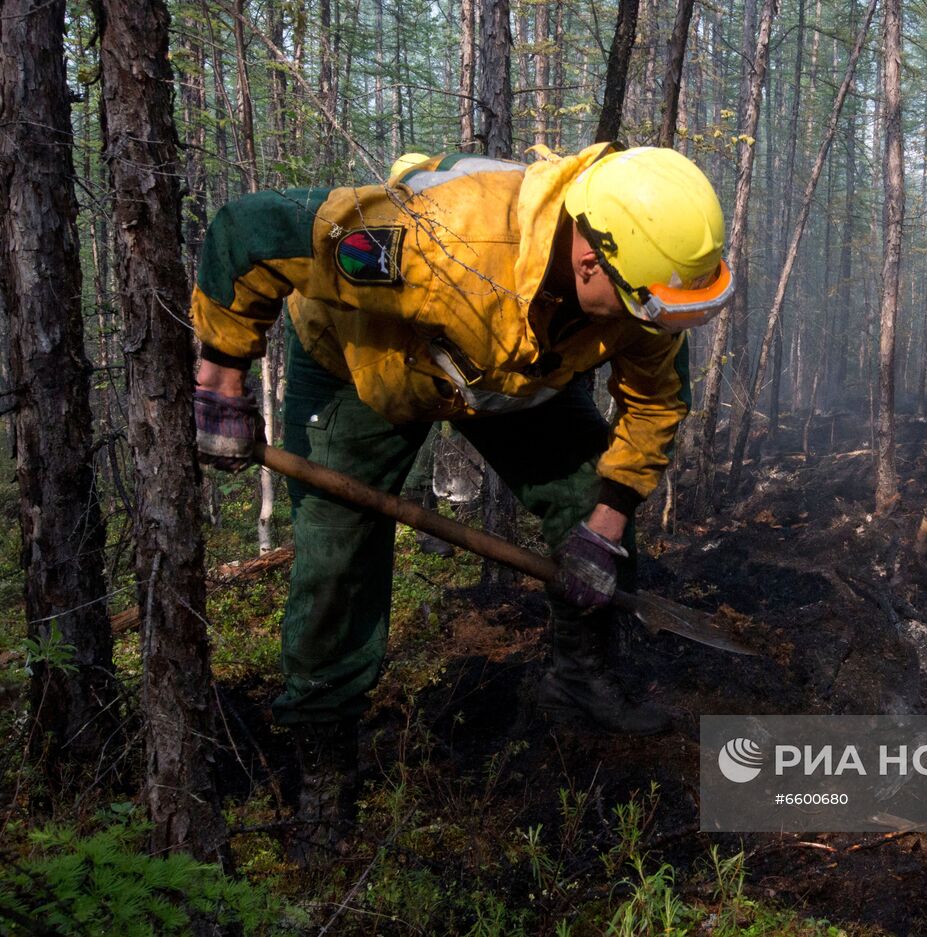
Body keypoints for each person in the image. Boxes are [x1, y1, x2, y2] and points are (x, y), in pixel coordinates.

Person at [189, 143, 730, 859]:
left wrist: (604, 527)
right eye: (650, 310)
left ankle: (580, 679)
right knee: (336, 561)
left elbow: (656, 402)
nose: (660, 328)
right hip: (367, 367)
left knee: (589, 501)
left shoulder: (647, 285)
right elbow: (250, 233)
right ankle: (324, 763)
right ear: (591, 260)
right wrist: (220, 375)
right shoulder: (436, 242)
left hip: (512, 376)